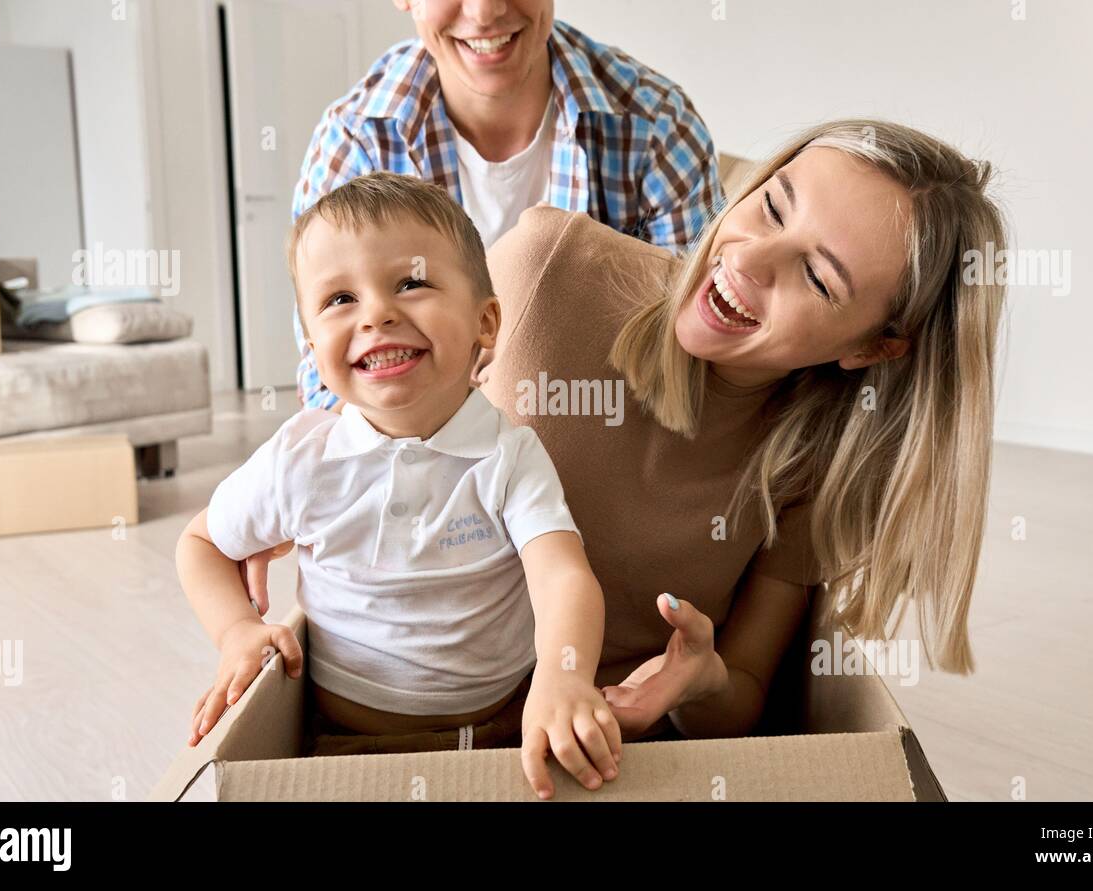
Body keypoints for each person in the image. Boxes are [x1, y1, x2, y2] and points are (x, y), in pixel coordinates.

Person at [246, 118, 1010, 744]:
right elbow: (383, 379)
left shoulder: (814, 466)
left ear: (872, 348)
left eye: (818, 276)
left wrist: (701, 679)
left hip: (605, 762)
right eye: (773, 206)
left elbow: (742, 694)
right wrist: (317, 486)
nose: (750, 259)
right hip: (406, 724)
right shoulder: (551, 271)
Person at [177, 173, 620, 798]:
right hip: (343, 743)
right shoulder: (302, 462)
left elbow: (562, 575)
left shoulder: (508, 455)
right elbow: (201, 544)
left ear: (484, 322)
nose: (377, 314)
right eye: (338, 300)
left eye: (411, 283)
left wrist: (563, 673)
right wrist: (236, 632)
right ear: (312, 347)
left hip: (504, 731)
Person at [292, 0, 722, 410]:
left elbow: (693, 357)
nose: (486, 12)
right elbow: (327, 380)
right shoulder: (356, 140)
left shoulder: (656, 126)